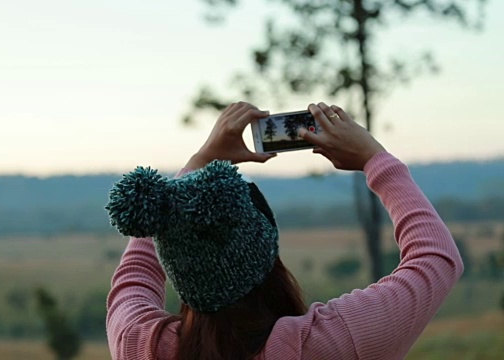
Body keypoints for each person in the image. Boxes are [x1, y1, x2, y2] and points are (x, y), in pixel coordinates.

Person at [105, 102, 463, 360]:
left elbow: (134, 276)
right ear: (266, 250)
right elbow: (436, 258)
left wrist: (194, 168)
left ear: (179, 270)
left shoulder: (141, 345)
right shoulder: (326, 344)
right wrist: (374, 157)